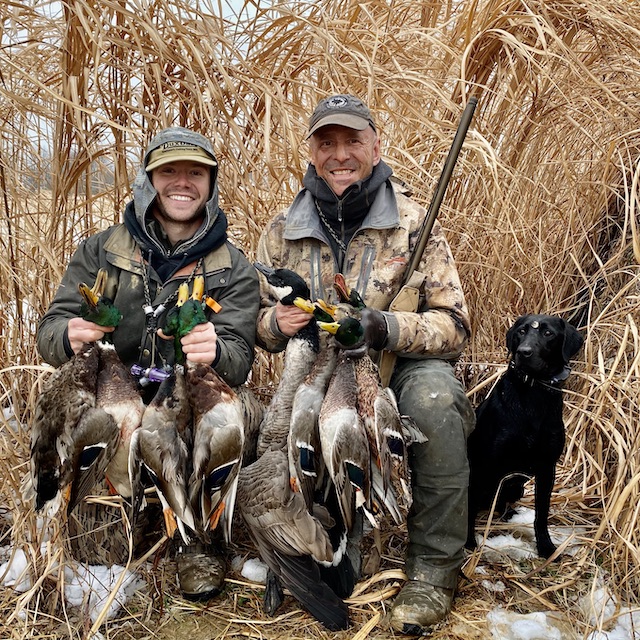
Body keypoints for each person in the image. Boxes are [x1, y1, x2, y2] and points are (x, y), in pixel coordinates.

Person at [255, 94, 475, 634]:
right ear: (309, 151)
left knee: (436, 402)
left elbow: (456, 325)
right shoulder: (280, 230)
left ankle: (432, 571)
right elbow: (254, 321)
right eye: (326, 142)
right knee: (287, 427)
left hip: (394, 366)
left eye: (352, 140)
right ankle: (311, 546)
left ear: (376, 146)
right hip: (315, 369)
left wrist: (386, 327)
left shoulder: (414, 222)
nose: (340, 154)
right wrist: (273, 326)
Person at [37, 126, 260, 600]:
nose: (182, 182)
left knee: (223, 412)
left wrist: (216, 350)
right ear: (149, 179)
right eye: (169, 172)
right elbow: (50, 329)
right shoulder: (102, 250)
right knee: (104, 552)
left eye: (195, 173)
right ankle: (104, 514)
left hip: (185, 407)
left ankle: (198, 540)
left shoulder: (233, 267)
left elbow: (239, 360)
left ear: (211, 183)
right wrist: (69, 335)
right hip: (121, 401)